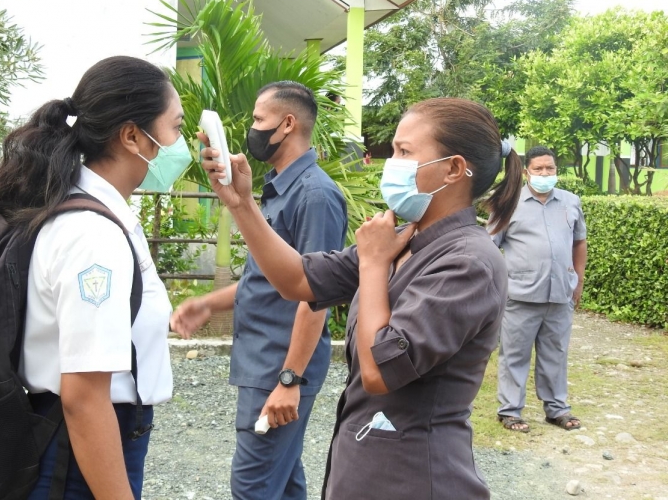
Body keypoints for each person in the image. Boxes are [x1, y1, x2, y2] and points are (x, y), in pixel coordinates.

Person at [194, 97, 524, 499]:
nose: (392, 163)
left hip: (415, 477)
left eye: (404, 152)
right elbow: (296, 280)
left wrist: (371, 266)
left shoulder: (469, 262)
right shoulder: (403, 239)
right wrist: (242, 203)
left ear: (453, 169)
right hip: (366, 466)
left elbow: (379, 371)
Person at [0, 56, 188, 499]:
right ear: (131, 136)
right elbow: (84, 399)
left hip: (71, 441)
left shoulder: (90, 211)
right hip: (76, 452)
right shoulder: (93, 236)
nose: (181, 144)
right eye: (176, 128)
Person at [170, 81, 347, 500]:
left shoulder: (315, 195)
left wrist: (290, 379)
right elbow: (268, 280)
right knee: (283, 482)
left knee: (252, 486)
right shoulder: (274, 190)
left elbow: (314, 294)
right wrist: (208, 303)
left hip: (280, 365)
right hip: (266, 360)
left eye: (257, 119)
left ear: (287, 124)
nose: (251, 129)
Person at [491, 146, 587, 433]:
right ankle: (510, 411)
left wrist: (578, 281)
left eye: (550, 169)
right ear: (526, 172)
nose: (545, 174)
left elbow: (579, 242)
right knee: (515, 355)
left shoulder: (570, 202)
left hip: (560, 294)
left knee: (556, 353)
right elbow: (490, 247)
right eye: (539, 169)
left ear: (557, 170)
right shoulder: (508, 202)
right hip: (520, 294)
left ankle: (556, 409)